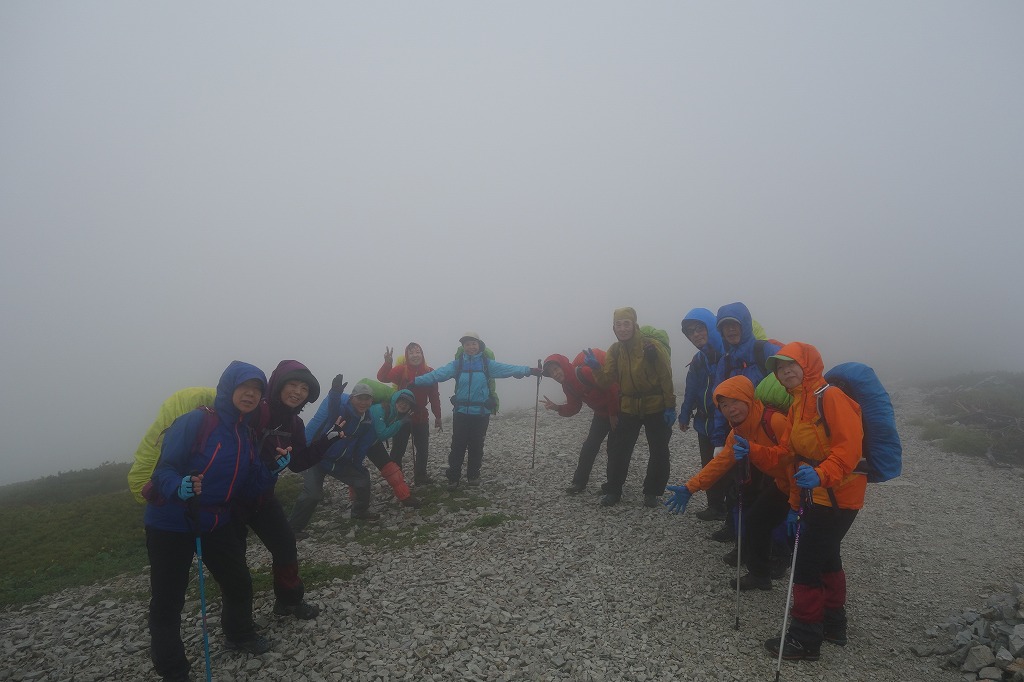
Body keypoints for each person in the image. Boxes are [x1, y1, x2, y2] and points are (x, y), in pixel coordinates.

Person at [144, 361, 272, 682]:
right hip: (170, 522)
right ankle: (173, 671)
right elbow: (163, 470)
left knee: (238, 581)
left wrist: (272, 470)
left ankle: (239, 634)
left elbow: (247, 488)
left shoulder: (245, 433)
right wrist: (180, 486)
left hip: (215, 519)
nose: (251, 394)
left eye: (257, 390)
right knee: (168, 599)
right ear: (228, 388)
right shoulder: (197, 421)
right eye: (245, 387)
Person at [744, 342, 865, 661]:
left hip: (838, 495)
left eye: (791, 365)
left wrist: (821, 475)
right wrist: (753, 450)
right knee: (826, 557)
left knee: (806, 563)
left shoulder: (831, 397)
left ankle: (805, 638)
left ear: (807, 365)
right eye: (779, 368)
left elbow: (849, 451)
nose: (785, 371)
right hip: (818, 493)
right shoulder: (798, 404)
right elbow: (787, 454)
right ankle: (833, 625)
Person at [664, 375, 792, 588]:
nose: (731, 409)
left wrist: (797, 498)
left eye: (735, 401)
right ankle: (760, 574)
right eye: (723, 405)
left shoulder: (775, 421)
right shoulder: (737, 432)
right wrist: (690, 487)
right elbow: (720, 463)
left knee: (774, 520)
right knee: (755, 519)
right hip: (779, 480)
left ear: (748, 399)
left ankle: (780, 558)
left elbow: (796, 457)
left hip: (797, 482)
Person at [237, 360, 328, 620]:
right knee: (235, 563)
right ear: (278, 384)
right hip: (232, 499)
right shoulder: (256, 412)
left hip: (262, 497)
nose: (298, 392)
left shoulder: (294, 424)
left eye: (304, 388)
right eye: (293, 384)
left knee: (286, 544)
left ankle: (288, 602)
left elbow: (298, 463)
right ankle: (240, 627)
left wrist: (327, 441)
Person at [409, 332, 541, 489]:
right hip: (461, 412)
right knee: (457, 445)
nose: (471, 347)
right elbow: (437, 375)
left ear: (479, 345)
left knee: (476, 445)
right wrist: (416, 381)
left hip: (480, 413)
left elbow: (508, 369)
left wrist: (530, 370)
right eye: (467, 344)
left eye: (474, 343)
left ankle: (473, 475)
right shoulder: (457, 365)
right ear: (463, 347)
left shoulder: (487, 364)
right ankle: (453, 477)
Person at [584, 307, 675, 508]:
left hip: (655, 405)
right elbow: (606, 382)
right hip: (628, 406)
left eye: (627, 324)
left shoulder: (650, 347)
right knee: (618, 450)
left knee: (659, 450)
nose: (623, 328)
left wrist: (670, 406)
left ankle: (652, 492)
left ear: (635, 325)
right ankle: (613, 490)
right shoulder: (615, 350)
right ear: (614, 328)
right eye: (619, 324)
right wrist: (596, 368)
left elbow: (666, 376)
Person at [710, 302, 782, 542]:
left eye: (735, 324)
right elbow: (720, 402)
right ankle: (738, 535)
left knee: (770, 489)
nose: (730, 330)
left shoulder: (764, 350)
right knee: (739, 487)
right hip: (740, 434)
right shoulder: (726, 361)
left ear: (746, 325)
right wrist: (718, 440)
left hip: (770, 432)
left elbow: (790, 382)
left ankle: (773, 546)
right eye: (725, 327)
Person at [288, 380, 380, 532]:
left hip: (339, 461)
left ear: (372, 400)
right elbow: (333, 408)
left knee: (362, 478)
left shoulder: (368, 420)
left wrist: (357, 464)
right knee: (312, 495)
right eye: (360, 398)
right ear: (352, 398)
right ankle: (293, 529)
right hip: (317, 458)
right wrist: (335, 393)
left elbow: (363, 445)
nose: (363, 402)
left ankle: (359, 512)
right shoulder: (341, 411)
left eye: (367, 399)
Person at [540, 350, 620, 495]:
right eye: (551, 373)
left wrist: (613, 414)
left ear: (563, 365)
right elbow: (574, 407)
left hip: (618, 410)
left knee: (614, 449)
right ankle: (579, 483)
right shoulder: (567, 385)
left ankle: (612, 488)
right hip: (601, 414)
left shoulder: (583, 372)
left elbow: (612, 388)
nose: (555, 374)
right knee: (589, 447)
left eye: (556, 369)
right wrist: (557, 407)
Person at [677, 308, 728, 521]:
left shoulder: (728, 355)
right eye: (691, 332)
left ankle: (732, 513)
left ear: (711, 327)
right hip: (704, 423)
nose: (696, 334)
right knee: (708, 465)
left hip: (727, 424)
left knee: (729, 469)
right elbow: (691, 389)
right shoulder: (699, 360)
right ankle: (715, 506)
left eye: (700, 328)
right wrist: (684, 414)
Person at [377, 342, 443, 485]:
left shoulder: (430, 372)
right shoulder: (402, 370)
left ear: (422, 354)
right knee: (398, 449)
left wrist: (438, 416)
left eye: (418, 352)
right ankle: (396, 479)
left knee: (422, 448)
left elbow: (434, 396)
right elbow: (382, 377)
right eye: (411, 353)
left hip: (421, 415)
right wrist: (387, 363)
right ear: (407, 356)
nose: (415, 355)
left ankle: (420, 476)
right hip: (401, 415)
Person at [364, 388, 423, 508]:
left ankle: (405, 497)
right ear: (395, 400)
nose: (404, 404)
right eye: (401, 400)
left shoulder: (394, 414)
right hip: (357, 442)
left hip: (372, 442)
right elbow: (382, 434)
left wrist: (401, 421)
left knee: (391, 469)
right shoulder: (380, 409)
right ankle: (357, 504)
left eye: (407, 403)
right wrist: (401, 423)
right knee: (356, 471)